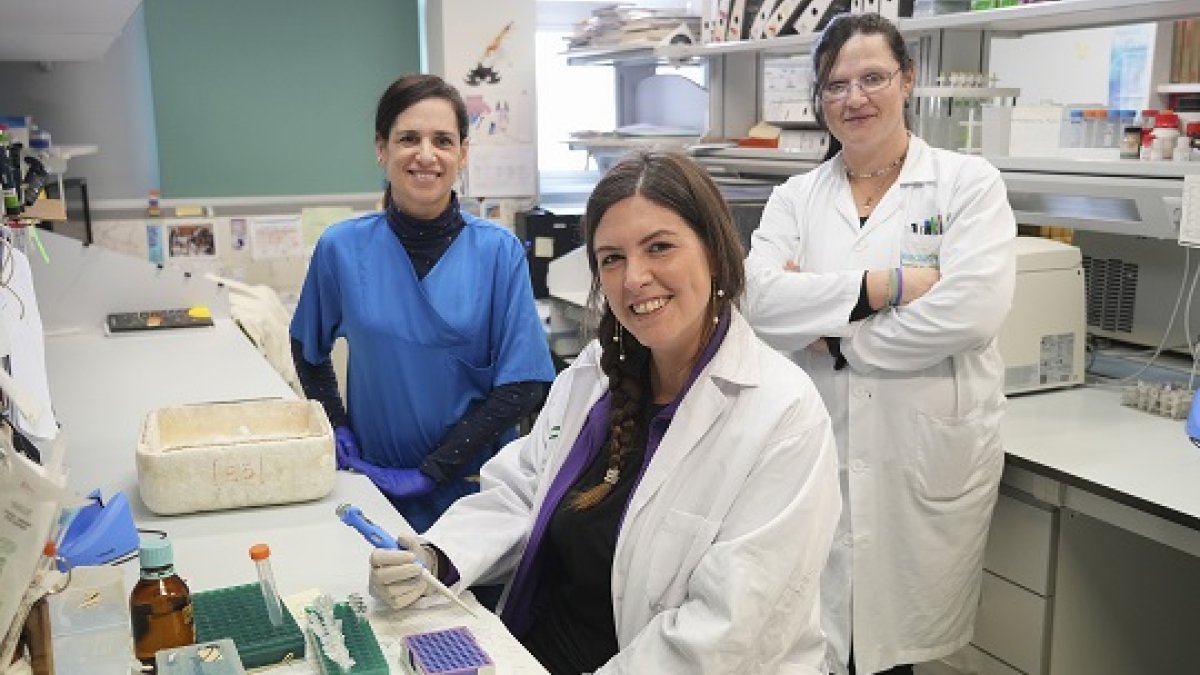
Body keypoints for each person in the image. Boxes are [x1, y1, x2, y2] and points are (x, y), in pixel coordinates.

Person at [368, 151, 842, 674]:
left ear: (713, 251)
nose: (634, 277)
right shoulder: (598, 373)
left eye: (659, 247)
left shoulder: (782, 414)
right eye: (611, 258)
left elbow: (726, 634)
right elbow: (524, 489)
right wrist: (435, 559)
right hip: (538, 647)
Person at [742, 13, 1017, 675]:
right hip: (816, 448)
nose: (854, 97)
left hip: (915, 457)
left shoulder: (966, 184)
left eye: (872, 78)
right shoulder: (795, 197)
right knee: (811, 642)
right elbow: (757, 300)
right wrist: (884, 286)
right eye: (835, 84)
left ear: (908, 81)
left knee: (890, 655)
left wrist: (837, 339)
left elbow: (971, 309)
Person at [290, 74, 556, 533]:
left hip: (477, 492)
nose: (426, 155)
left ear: (463, 153)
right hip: (377, 487)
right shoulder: (342, 249)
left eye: (443, 141)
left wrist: (433, 470)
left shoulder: (498, 251)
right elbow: (307, 348)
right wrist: (338, 426)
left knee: (472, 603)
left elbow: (525, 384)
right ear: (382, 149)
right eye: (408, 138)